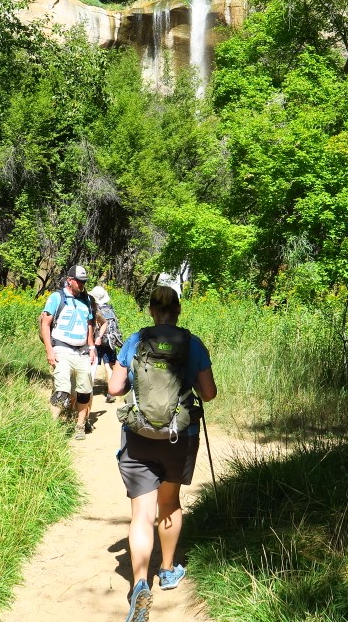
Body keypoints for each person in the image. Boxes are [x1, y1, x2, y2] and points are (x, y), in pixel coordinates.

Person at [108, 284, 217, 622]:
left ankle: (140, 583)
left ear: (151, 310)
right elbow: (209, 393)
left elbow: (114, 388)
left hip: (139, 435)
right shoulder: (191, 343)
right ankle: (167, 570)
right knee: (168, 504)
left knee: (141, 513)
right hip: (179, 436)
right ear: (178, 310)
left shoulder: (135, 341)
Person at [38, 264, 97, 440]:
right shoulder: (57, 297)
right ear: (69, 280)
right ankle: (52, 426)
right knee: (62, 390)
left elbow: (89, 325)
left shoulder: (87, 300)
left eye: (84, 281)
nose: (81, 284)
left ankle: (79, 426)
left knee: (84, 390)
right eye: (79, 281)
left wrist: (92, 347)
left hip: (82, 352)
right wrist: (49, 350)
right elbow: (45, 324)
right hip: (61, 348)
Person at [89, 284, 122, 401]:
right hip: (110, 341)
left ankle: (87, 391)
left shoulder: (95, 309)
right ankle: (111, 393)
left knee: (92, 365)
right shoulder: (110, 309)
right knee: (109, 366)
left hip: (97, 340)